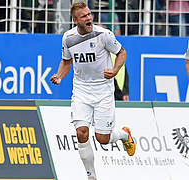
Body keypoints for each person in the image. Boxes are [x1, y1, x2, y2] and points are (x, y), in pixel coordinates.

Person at [50, 2, 135, 180]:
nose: (89, 18)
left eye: (89, 14)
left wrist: (115, 70)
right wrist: (59, 76)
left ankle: (124, 134)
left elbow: (122, 53)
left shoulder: (103, 34)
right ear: (75, 20)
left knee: (102, 139)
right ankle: (91, 176)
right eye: (84, 16)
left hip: (103, 91)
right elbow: (66, 62)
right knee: (81, 132)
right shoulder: (68, 38)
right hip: (81, 90)